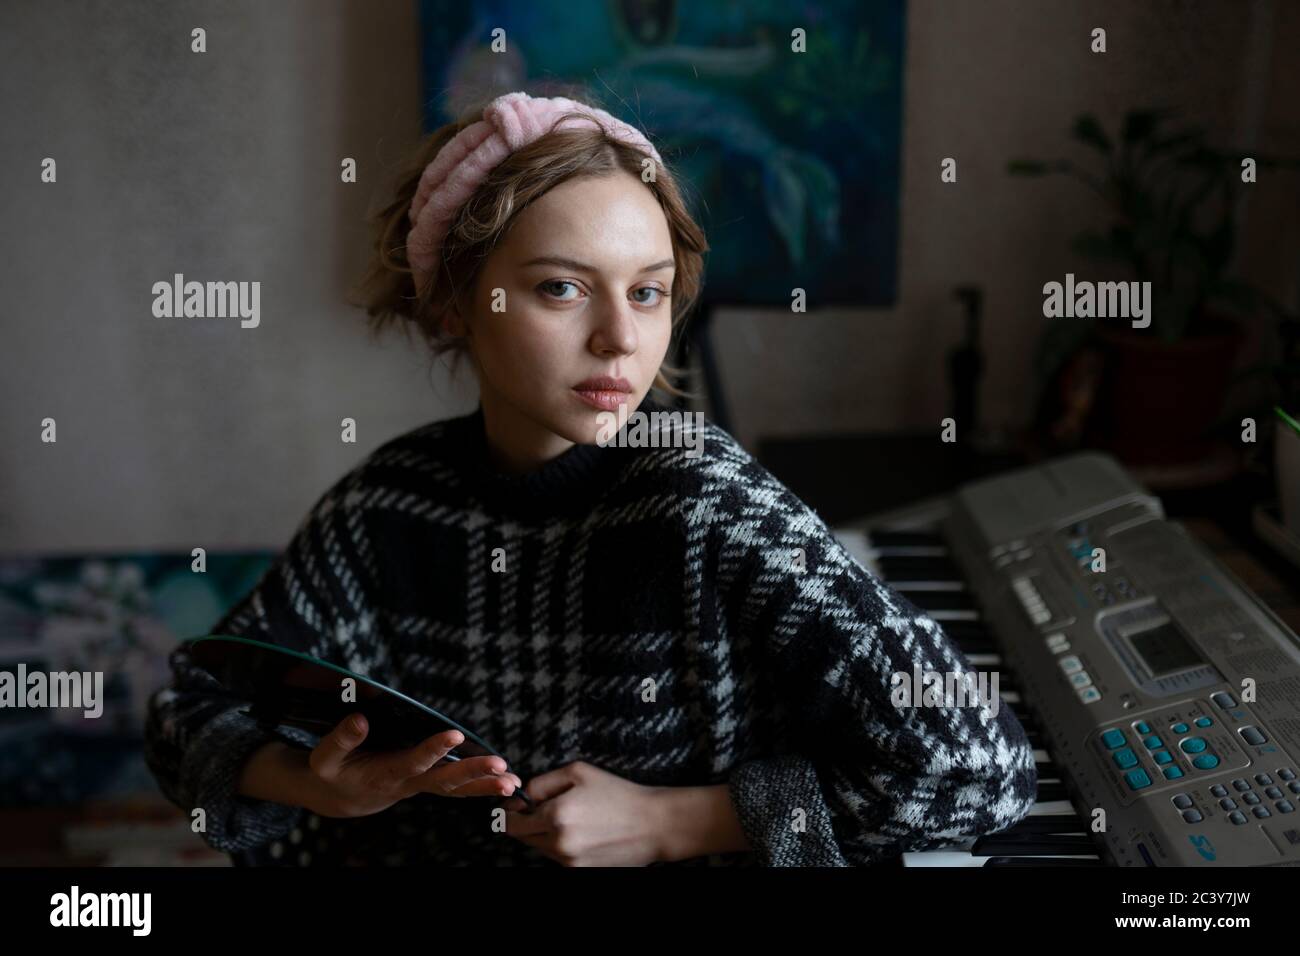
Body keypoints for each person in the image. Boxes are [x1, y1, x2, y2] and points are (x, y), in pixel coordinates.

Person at [143, 90, 1037, 867]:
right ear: (455, 300)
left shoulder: (709, 501)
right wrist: (312, 783)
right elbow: (188, 707)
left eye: (647, 292)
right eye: (564, 289)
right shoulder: (387, 503)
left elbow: (979, 770)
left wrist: (674, 824)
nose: (621, 338)